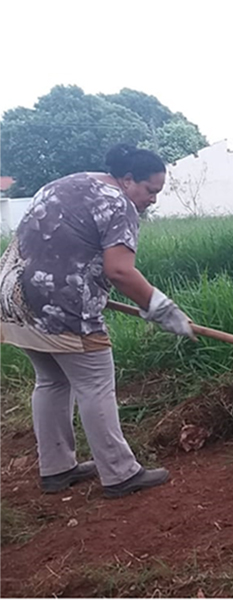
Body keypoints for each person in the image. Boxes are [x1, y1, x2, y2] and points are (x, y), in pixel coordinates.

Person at [0, 143, 196, 499]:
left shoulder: (63, 184)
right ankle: (120, 474)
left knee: (51, 382)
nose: (153, 199)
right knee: (95, 385)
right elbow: (120, 271)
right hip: (64, 308)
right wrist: (166, 312)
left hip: (15, 298)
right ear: (126, 179)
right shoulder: (117, 203)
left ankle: (57, 469)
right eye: (150, 190)